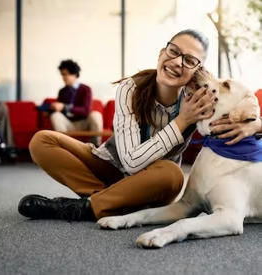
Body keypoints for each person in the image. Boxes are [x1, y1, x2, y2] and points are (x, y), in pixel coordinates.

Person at [18, 29, 262, 222]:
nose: (177, 62)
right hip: (110, 164)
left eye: (189, 60)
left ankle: (92, 205)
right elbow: (130, 162)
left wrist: (256, 125)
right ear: (161, 53)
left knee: (172, 175)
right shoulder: (130, 89)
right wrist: (181, 121)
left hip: (154, 180)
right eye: (173, 51)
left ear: (198, 70)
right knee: (42, 140)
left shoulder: (197, 98)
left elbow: (240, 106)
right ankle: (104, 203)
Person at [50, 59, 103, 146]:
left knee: (96, 115)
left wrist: (65, 106)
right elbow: (60, 112)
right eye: (62, 74)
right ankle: (63, 147)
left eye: (65, 74)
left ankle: (96, 147)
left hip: (83, 122)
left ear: (74, 74)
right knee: (55, 115)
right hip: (68, 123)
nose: (63, 77)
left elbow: (86, 111)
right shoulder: (62, 91)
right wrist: (52, 109)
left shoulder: (86, 89)